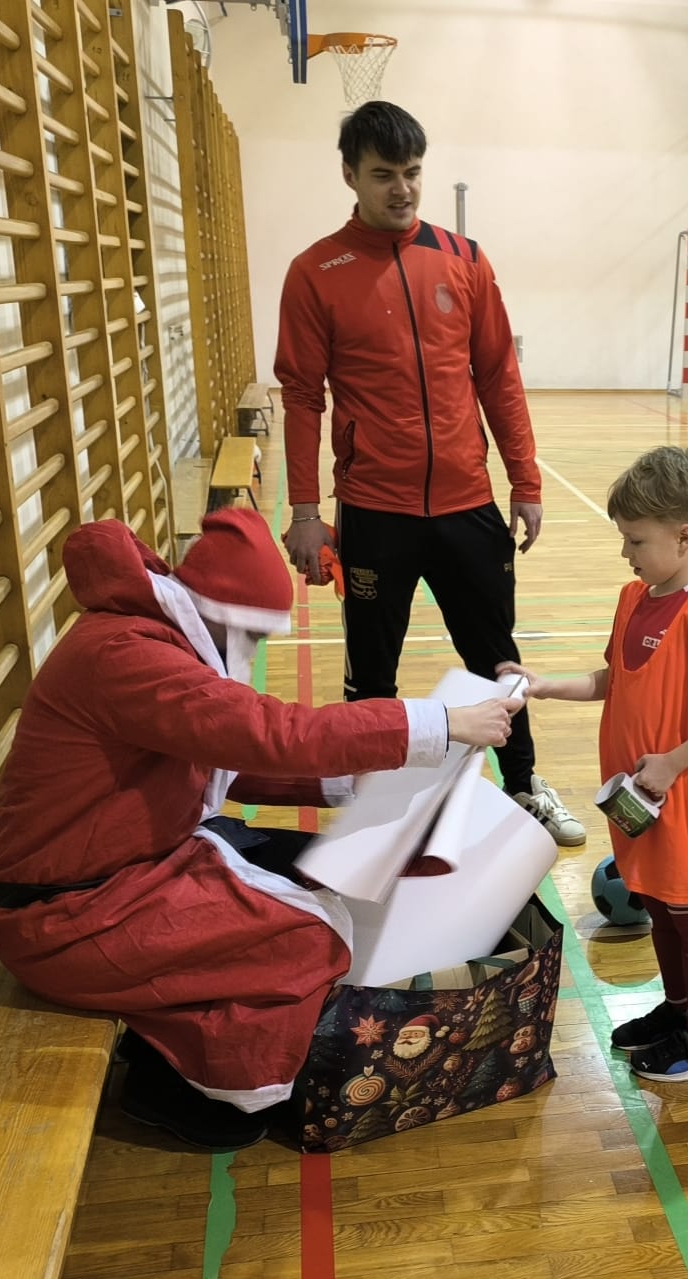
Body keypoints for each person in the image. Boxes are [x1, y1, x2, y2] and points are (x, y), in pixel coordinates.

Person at [0, 507, 522, 1150]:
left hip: (115, 881)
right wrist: (438, 724)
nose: (256, 651)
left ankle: (192, 1061)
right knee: (307, 934)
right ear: (224, 615)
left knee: (310, 876)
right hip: (71, 919)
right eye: (255, 635)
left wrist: (355, 782)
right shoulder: (125, 656)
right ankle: (181, 1082)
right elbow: (264, 733)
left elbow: (229, 761)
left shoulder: (139, 640)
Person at [273, 99, 585, 848]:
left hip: (467, 506)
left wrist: (526, 481)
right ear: (350, 175)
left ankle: (523, 784)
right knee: (371, 676)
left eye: (412, 172)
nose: (403, 189)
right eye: (384, 174)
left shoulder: (464, 259)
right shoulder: (315, 272)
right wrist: (306, 511)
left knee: (496, 659)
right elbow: (302, 396)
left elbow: (498, 376)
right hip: (375, 511)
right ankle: (369, 811)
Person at [500, 448, 688, 1081]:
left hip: (681, 799)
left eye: (636, 541)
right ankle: (680, 1010)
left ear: (685, 537)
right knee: (660, 908)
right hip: (637, 798)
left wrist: (672, 763)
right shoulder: (633, 598)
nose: (626, 553)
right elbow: (612, 678)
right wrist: (545, 685)